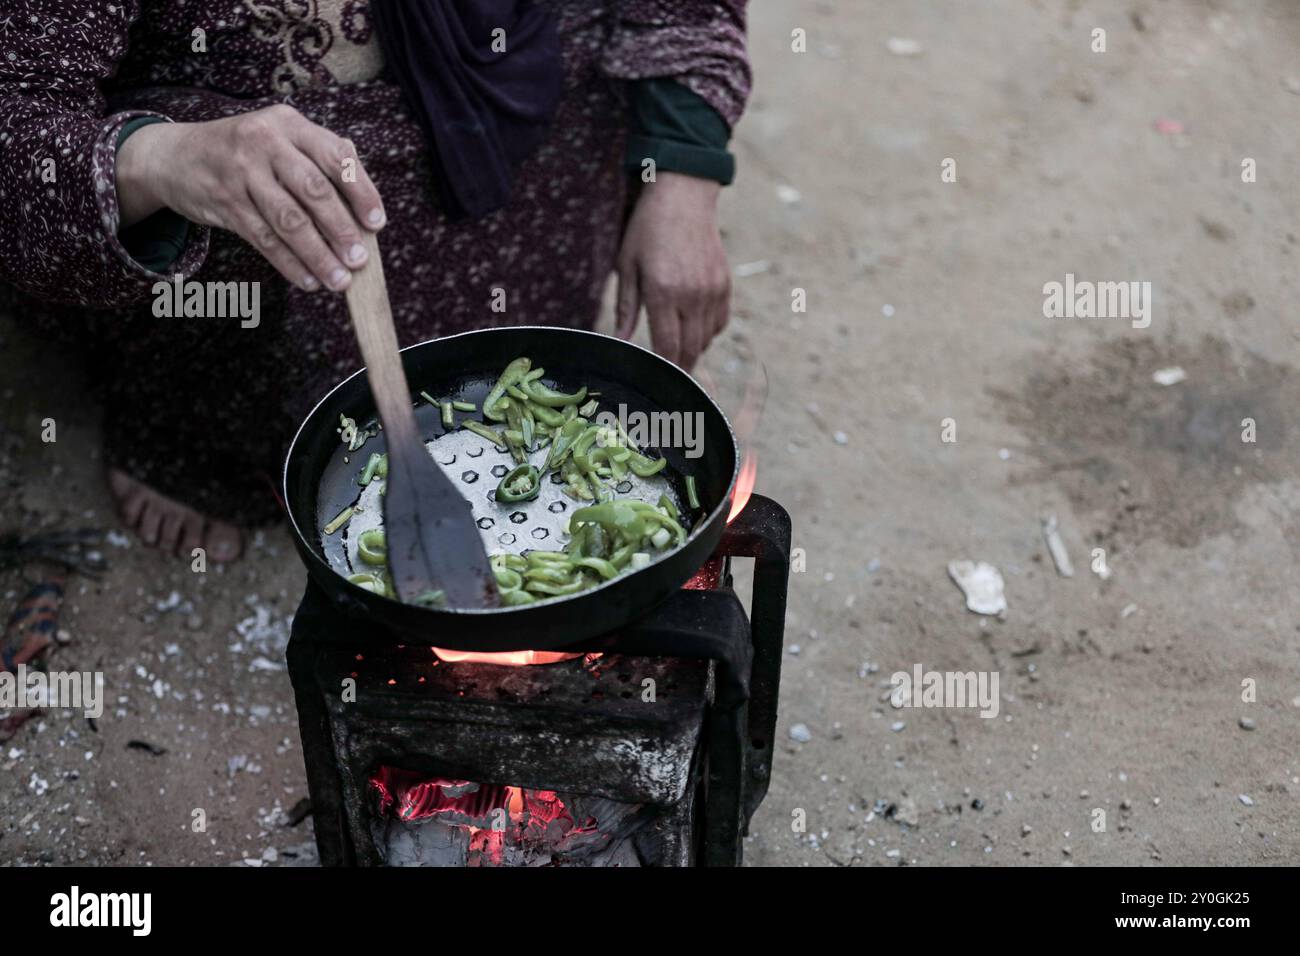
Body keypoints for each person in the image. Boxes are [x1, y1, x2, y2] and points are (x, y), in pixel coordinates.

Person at [0, 0, 750, 561]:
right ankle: (198, 443)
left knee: (507, 380)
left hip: (525, 154)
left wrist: (682, 171)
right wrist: (163, 158)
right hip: (250, 264)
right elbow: (17, 118)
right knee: (233, 193)